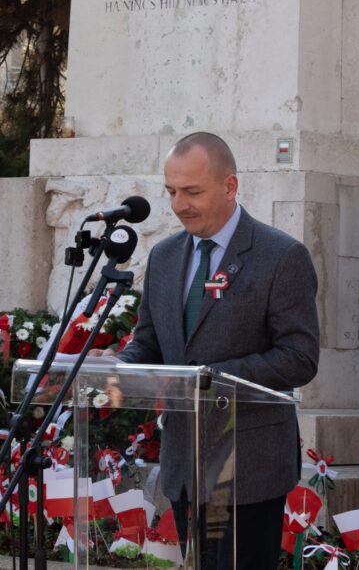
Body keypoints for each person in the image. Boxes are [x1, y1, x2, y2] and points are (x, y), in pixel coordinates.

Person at [102, 131, 320, 569]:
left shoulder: (281, 256)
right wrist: (116, 366)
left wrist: (211, 376)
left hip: (248, 466)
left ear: (230, 186)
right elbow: (149, 341)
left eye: (192, 191)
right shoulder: (163, 257)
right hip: (187, 463)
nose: (179, 204)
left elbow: (300, 356)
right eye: (172, 192)